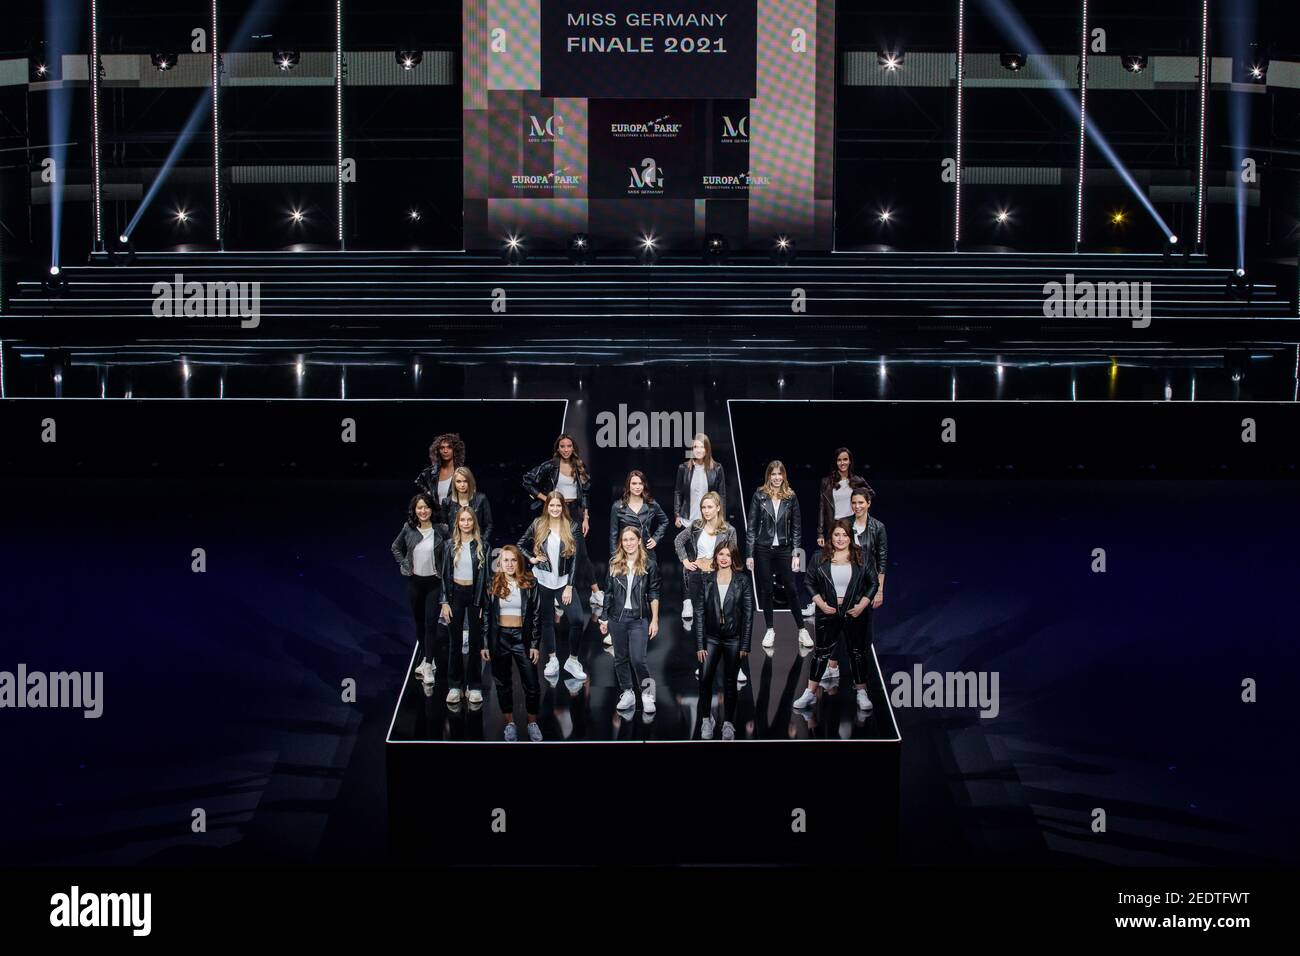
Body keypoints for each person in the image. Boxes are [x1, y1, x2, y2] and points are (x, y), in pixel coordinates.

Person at [794, 522, 877, 713]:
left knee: (857, 653)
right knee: (821, 653)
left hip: (853, 612)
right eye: (837, 535)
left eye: (844, 535)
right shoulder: (819, 557)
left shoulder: (861, 557)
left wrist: (861, 606)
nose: (840, 539)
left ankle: (861, 692)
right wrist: (821, 605)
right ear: (831, 537)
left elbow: (872, 583)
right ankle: (810, 692)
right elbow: (809, 583)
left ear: (850, 537)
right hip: (827, 612)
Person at [518, 491, 589, 683]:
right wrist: (532, 558)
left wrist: (569, 586)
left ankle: (573, 661)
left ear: (562, 507)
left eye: (558, 505)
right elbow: (521, 544)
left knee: (577, 620)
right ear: (547, 506)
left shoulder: (572, 526)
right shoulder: (538, 524)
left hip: (563, 582)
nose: (555, 509)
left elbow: (575, 559)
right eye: (552, 505)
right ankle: (552, 659)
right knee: (547, 621)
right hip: (542, 579)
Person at [822, 485, 888, 686]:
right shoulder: (845, 525)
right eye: (854, 503)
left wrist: (879, 590)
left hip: (865, 587)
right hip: (843, 583)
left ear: (868, 503)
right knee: (836, 626)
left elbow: (882, 560)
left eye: (861, 502)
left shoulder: (878, 527)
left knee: (862, 632)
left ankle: (860, 677)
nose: (857, 506)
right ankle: (832, 665)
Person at [745, 460, 811, 650]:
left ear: (784, 476)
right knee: (767, 590)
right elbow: (751, 527)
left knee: (791, 588)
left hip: (785, 548)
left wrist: (797, 554)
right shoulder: (760, 495)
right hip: (763, 548)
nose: (776, 478)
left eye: (779, 474)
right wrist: (749, 554)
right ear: (768, 476)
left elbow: (797, 527)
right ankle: (770, 629)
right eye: (773, 474)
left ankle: (801, 630)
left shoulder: (791, 496)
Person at [598, 526, 661, 715]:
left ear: (639, 540)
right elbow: (608, 592)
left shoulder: (650, 564)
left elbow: (654, 593)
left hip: (638, 619)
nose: (628, 543)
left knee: (638, 659)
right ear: (621, 543)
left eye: (632, 539)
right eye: (625, 540)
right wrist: (603, 618)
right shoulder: (614, 562)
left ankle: (648, 694)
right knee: (620, 658)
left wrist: (655, 620)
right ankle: (627, 692)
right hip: (617, 618)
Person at [693, 543, 753, 740]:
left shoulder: (742, 581)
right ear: (716, 557)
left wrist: (745, 644)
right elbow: (700, 612)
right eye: (721, 554)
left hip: (733, 639)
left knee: (730, 682)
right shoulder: (707, 579)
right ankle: (705, 720)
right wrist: (700, 644)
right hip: (710, 638)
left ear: (733, 557)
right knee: (704, 680)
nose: (724, 558)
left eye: (728, 555)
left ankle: (728, 723)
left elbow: (748, 614)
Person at [485, 545, 544, 741]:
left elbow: (536, 615)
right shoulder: (492, 584)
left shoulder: (530, 583)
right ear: (500, 563)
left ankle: (532, 723)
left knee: (532, 685)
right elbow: (486, 616)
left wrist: (534, 644)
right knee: (503, 684)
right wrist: (486, 643)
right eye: (505, 560)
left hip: (522, 639)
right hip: (500, 638)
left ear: (519, 562)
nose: (509, 564)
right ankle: (510, 724)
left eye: (513, 560)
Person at [390, 493, 448, 686]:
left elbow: (449, 552)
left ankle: (429, 663)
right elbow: (395, 547)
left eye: (426, 507)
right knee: (420, 623)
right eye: (419, 508)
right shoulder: (409, 528)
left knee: (431, 623)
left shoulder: (441, 530)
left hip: (434, 583)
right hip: (415, 583)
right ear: (415, 510)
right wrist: (405, 565)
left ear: (432, 509)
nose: (423, 511)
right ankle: (425, 657)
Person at [439, 506, 491, 706]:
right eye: (463, 520)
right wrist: (444, 602)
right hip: (455, 597)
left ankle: (474, 686)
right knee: (455, 643)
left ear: (474, 523)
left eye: (470, 520)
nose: (466, 523)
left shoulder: (483, 546)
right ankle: (454, 685)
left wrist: (482, 605)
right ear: (458, 523)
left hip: (475, 597)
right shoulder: (449, 545)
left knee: (476, 643)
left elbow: (486, 579)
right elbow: (444, 575)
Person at [673, 490, 736, 621]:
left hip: (717, 576)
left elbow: (733, 555)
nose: (706, 511)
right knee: (699, 617)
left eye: (709, 507)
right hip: (698, 575)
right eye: (703, 507)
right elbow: (678, 540)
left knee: (717, 617)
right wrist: (685, 560)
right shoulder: (696, 525)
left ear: (718, 508)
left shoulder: (729, 530)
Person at [608, 470, 669, 560]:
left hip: (646, 551)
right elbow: (613, 535)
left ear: (644, 485)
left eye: (640, 483)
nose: (637, 487)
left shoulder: (651, 505)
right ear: (628, 485)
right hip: (626, 551)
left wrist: (656, 538)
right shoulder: (618, 507)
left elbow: (664, 521)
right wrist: (614, 557)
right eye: (634, 483)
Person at [673, 433, 727, 530]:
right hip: (688, 521)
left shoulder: (717, 468)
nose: (698, 450)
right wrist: (677, 515)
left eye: (702, 447)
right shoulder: (683, 468)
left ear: (707, 449)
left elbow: (721, 495)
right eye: (695, 447)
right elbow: (678, 492)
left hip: (710, 522)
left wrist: (721, 518)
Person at [440, 466, 493, 547]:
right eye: (458, 481)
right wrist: (451, 544)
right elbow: (444, 529)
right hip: (455, 547)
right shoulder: (447, 502)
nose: (462, 485)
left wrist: (482, 543)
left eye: (465, 481)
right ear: (454, 483)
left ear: (470, 482)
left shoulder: (481, 499)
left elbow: (488, 525)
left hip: (477, 545)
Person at [415, 433, 466, 504]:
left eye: (449, 447)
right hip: (435, 514)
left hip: (456, 514)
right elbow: (418, 494)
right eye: (442, 448)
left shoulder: (462, 473)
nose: (445, 451)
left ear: (455, 450)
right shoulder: (428, 473)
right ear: (437, 451)